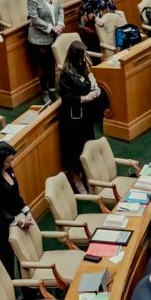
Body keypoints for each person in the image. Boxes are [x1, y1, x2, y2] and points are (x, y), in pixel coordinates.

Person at [58, 38, 105, 192]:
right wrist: (85, 98)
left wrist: (94, 90)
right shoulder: (66, 74)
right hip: (73, 120)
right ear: (76, 55)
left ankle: (87, 174)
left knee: (88, 143)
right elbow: (67, 98)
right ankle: (76, 178)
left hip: (86, 116)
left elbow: (87, 84)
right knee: (75, 149)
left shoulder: (81, 67)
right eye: (83, 54)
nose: (86, 57)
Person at [0, 141, 32, 278]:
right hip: (1, 226)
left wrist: (26, 210)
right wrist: (17, 221)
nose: (10, 164)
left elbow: (15, 195)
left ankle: (27, 286)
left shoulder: (9, 170)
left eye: (11, 160)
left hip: (14, 217)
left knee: (22, 256)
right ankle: (12, 288)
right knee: (8, 262)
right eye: (7, 161)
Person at [27, 0, 63, 104]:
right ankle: (45, 92)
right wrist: (51, 28)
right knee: (43, 67)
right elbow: (35, 19)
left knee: (51, 64)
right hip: (39, 39)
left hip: (53, 36)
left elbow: (60, 10)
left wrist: (60, 23)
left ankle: (53, 89)